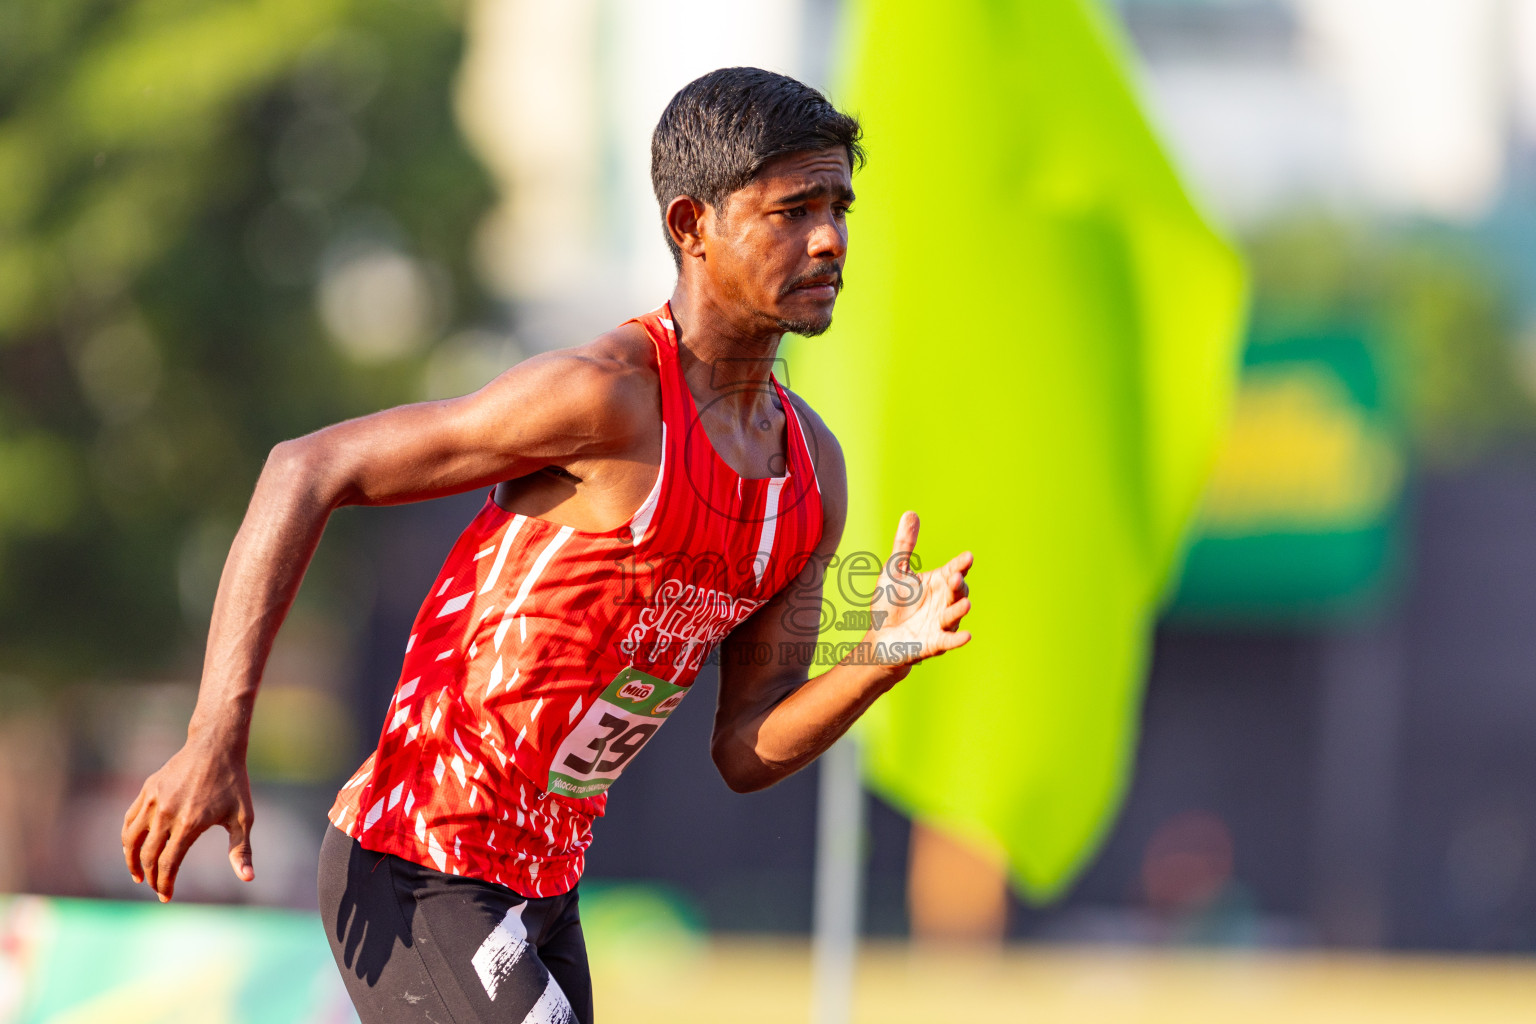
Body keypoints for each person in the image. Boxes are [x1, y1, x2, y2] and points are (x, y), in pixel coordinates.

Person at [120, 66, 973, 1024]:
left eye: (839, 206)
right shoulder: (605, 397)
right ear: (691, 225)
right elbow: (303, 470)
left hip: (545, 890)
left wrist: (880, 657)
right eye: (793, 210)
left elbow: (745, 746)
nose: (830, 239)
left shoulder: (813, 478)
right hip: (417, 863)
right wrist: (213, 733)